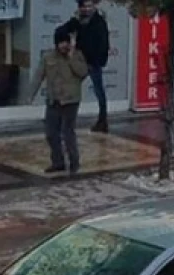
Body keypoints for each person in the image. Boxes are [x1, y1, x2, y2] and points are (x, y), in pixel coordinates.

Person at [30, 28, 89, 174]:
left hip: (70, 100)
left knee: (68, 133)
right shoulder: (48, 57)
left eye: (66, 42)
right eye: (61, 42)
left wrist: (71, 58)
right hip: (53, 100)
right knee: (51, 133)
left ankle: (74, 162)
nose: (64, 45)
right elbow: (39, 75)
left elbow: (83, 73)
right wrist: (31, 94)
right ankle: (58, 162)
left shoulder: (77, 55)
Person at [62, 0, 110, 133]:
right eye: (85, 6)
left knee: (99, 90)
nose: (87, 9)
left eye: (90, 6)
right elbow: (64, 30)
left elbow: (104, 42)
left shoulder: (99, 22)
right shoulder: (79, 21)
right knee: (70, 86)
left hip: (93, 61)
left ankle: (103, 120)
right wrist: (74, 20)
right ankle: (63, 117)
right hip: (81, 60)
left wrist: (100, 60)